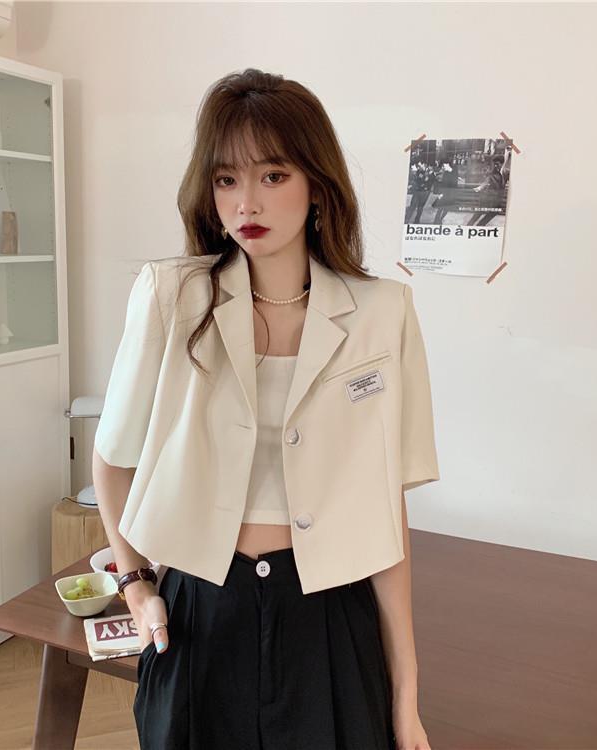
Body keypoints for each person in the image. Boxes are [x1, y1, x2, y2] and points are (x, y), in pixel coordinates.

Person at [92, 68, 440, 750]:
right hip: (199, 607)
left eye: (273, 175)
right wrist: (136, 585)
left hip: (329, 611)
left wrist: (407, 693)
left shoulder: (383, 312)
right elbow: (112, 461)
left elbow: (385, 509)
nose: (246, 201)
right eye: (226, 179)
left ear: (317, 184)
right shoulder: (171, 296)